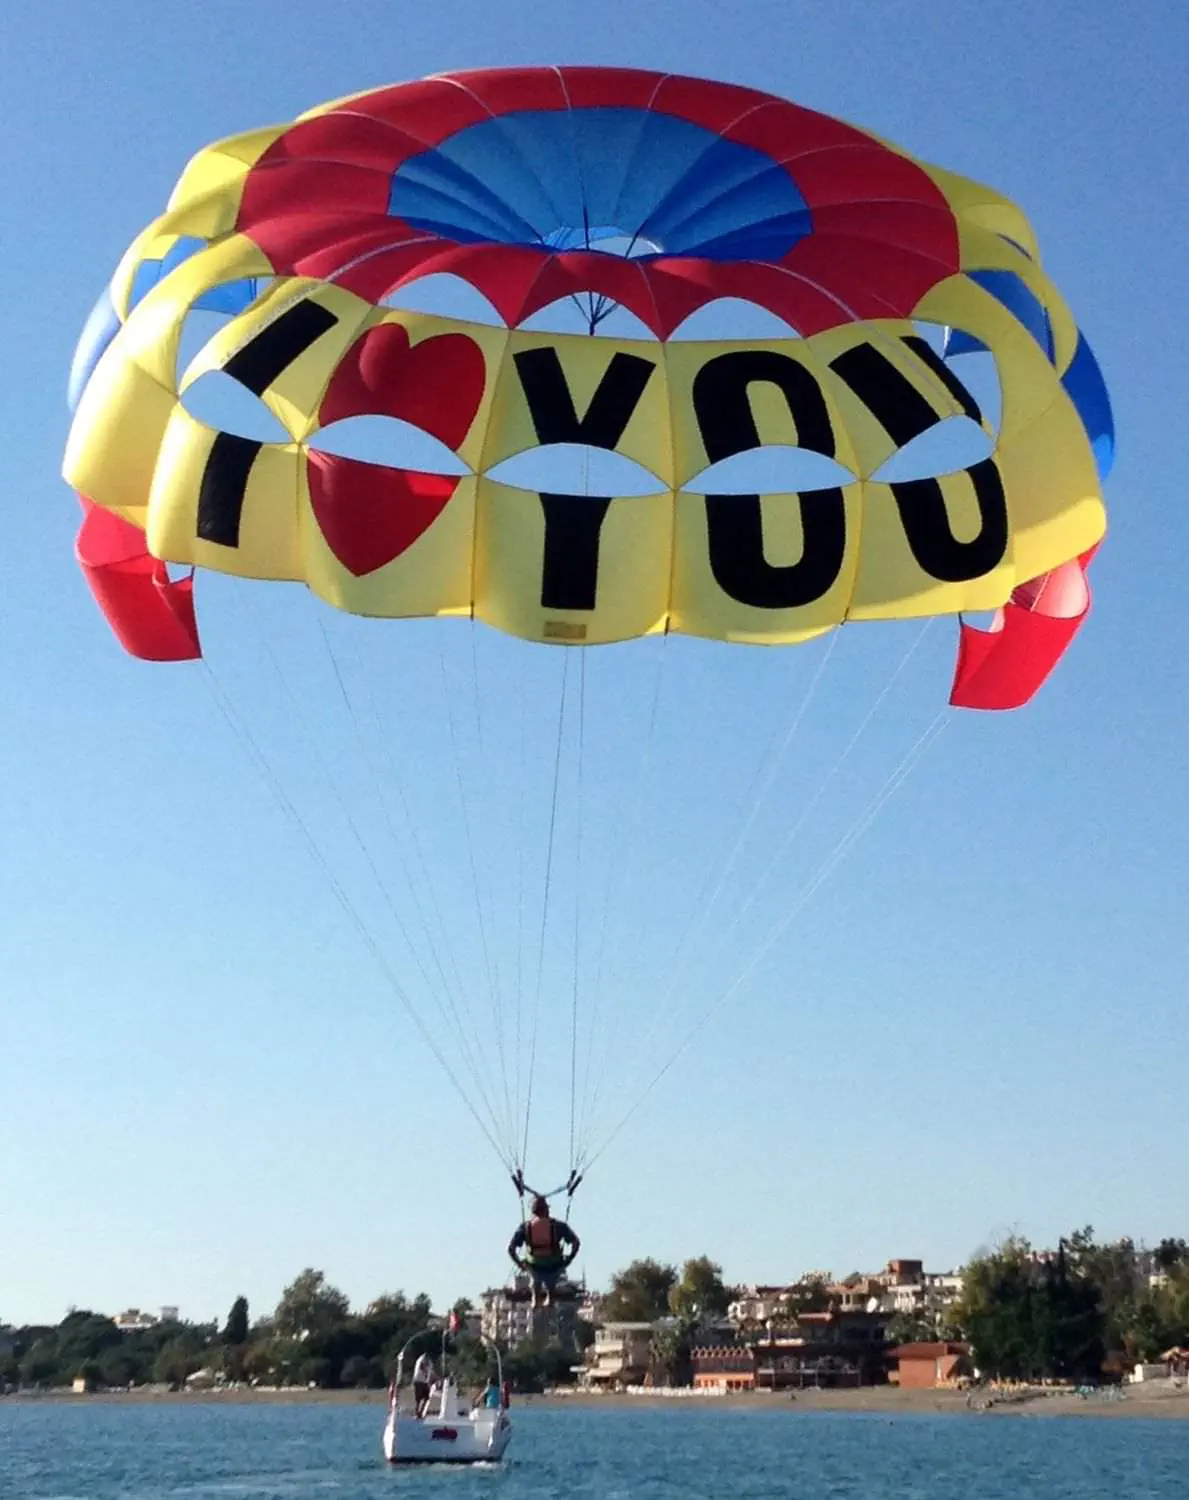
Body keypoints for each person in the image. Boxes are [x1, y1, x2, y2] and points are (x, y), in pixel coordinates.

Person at [508, 1194, 580, 1307]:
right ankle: (550, 1297)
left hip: (534, 1264)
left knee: (535, 1279)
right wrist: (569, 1259)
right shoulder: (559, 1226)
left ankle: (535, 1298)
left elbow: (511, 1249)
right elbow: (576, 1243)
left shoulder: (526, 1227)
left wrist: (519, 1264)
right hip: (554, 1264)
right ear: (546, 1210)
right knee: (551, 1283)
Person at [412, 1351, 435, 1417]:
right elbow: (422, 1366)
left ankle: (420, 1412)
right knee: (418, 1399)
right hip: (419, 1381)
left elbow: (431, 1371)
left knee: (426, 1398)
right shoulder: (423, 1358)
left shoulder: (430, 1361)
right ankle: (417, 1413)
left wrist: (432, 1379)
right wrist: (426, 1375)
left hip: (425, 1382)